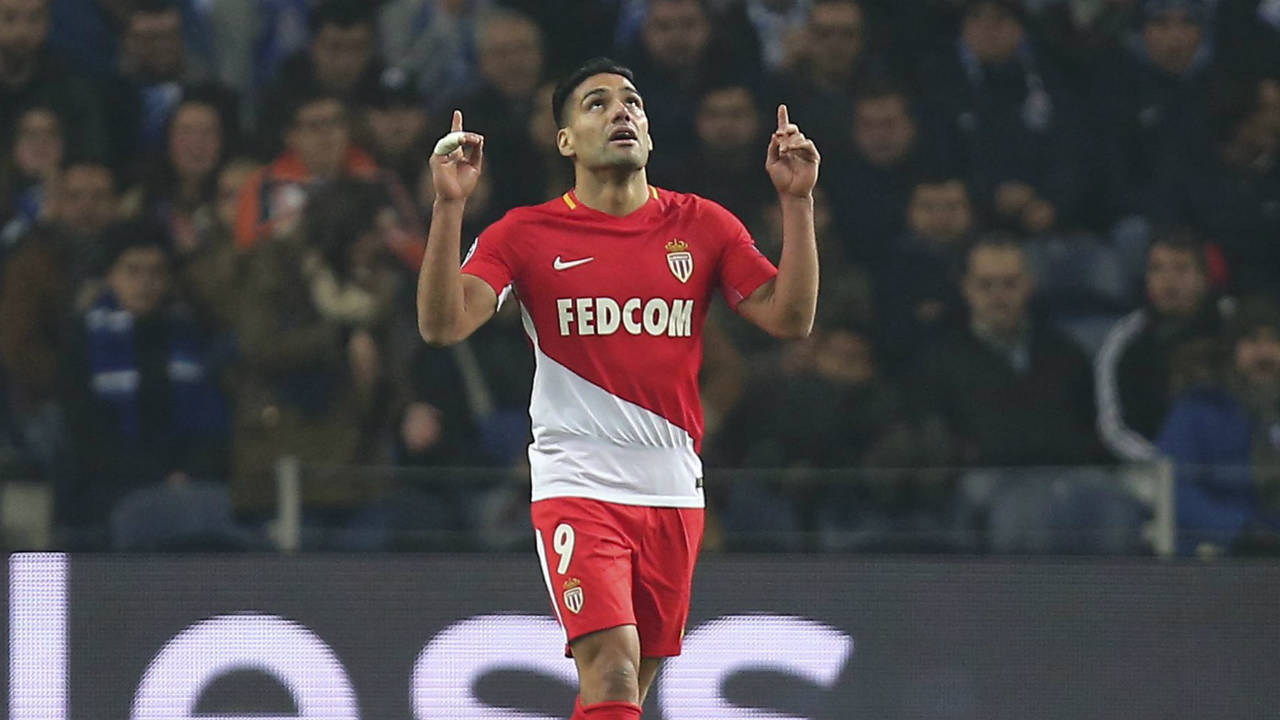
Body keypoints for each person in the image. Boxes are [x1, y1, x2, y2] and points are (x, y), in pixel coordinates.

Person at [417, 57, 819, 719]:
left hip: (672, 487)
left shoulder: (703, 225)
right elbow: (442, 324)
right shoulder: (526, 233)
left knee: (625, 692)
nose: (620, 112)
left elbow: (790, 315)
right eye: (596, 104)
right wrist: (448, 206)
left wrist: (797, 203)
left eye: (631, 101)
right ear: (566, 140)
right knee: (613, 667)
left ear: (651, 132)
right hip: (578, 483)